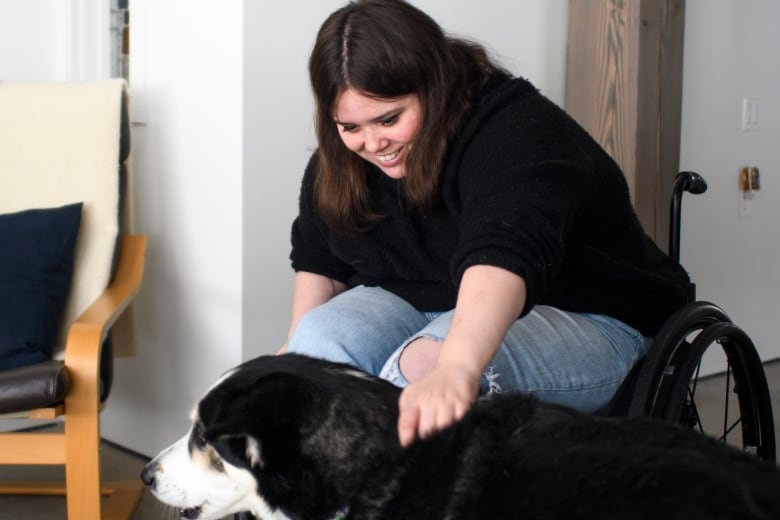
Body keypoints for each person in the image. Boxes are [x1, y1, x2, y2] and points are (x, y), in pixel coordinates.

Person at [279, 0, 690, 447]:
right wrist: (297, 354)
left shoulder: (514, 128)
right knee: (316, 353)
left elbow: (504, 253)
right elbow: (320, 260)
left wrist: (457, 367)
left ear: (431, 86)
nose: (374, 143)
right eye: (350, 126)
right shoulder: (343, 157)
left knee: (423, 367)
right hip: (432, 300)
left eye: (390, 119)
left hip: (586, 312)